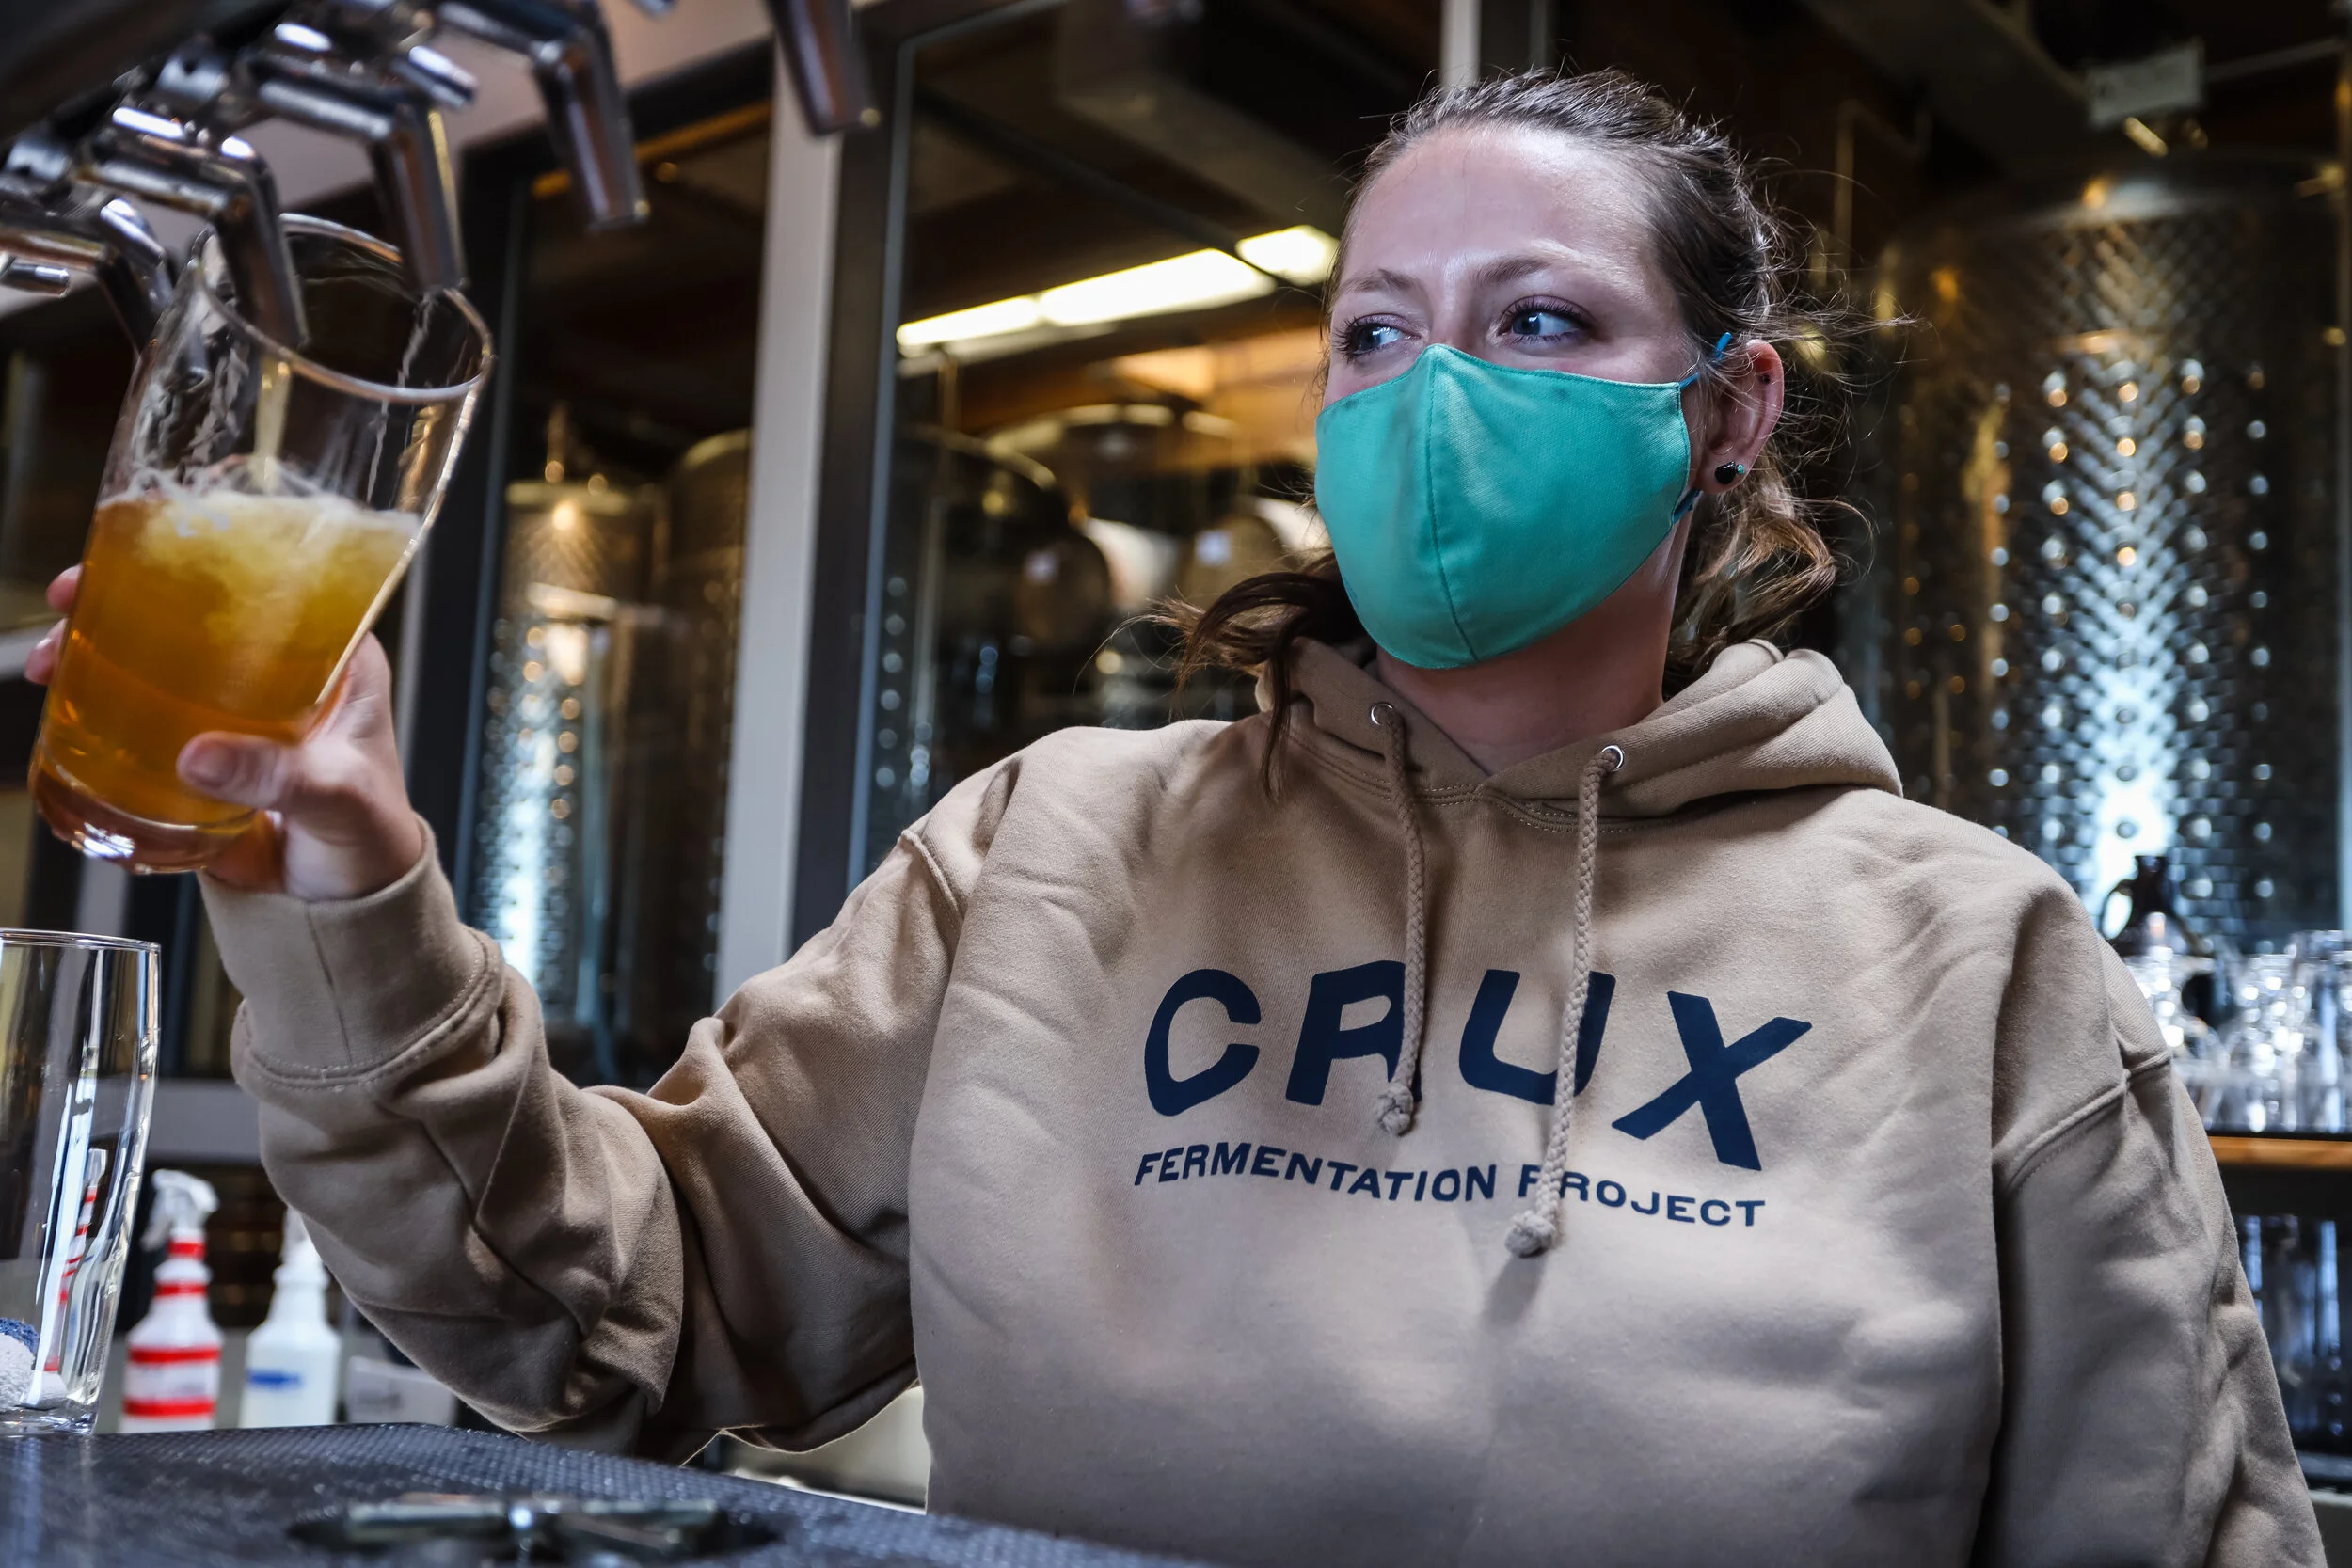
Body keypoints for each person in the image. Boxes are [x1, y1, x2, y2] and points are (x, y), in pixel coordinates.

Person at [34, 67, 2318, 1567]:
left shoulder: (1981, 962)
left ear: (1722, 414)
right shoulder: (1054, 851)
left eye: (1537, 323)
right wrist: (351, 890)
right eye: (1373, 331)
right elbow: (603, 1317)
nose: (1431, 396)